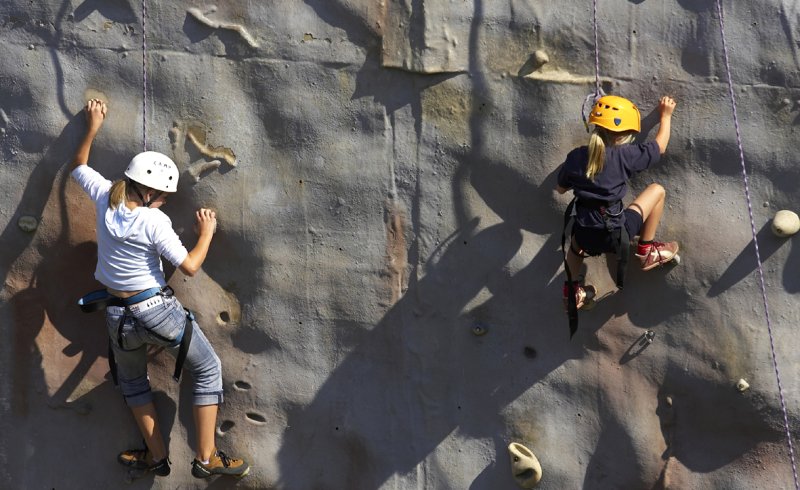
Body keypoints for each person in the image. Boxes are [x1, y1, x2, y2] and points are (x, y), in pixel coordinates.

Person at [71, 98, 249, 479]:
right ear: (149, 192)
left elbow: (79, 167)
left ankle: (156, 456)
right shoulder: (155, 221)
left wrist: (92, 126)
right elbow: (189, 267)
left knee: (134, 382)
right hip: (156, 311)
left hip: (116, 317)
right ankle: (206, 457)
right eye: (164, 196)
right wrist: (206, 233)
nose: (166, 201)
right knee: (207, 369)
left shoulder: (106, 197)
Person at [556, 94, 678, 312]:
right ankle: (646, 250)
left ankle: (573, 291)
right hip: (616, 234)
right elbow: (659, 147)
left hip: (586, 234)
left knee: (575, 246)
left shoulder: (576, 157)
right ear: (626, 134)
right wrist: (666, 115)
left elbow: (561, 188)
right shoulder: (626, 156)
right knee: (657, 190)